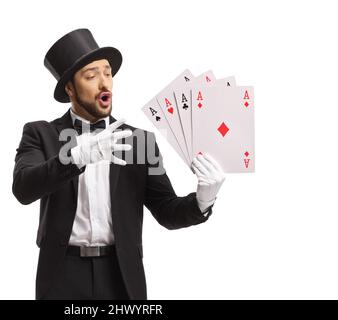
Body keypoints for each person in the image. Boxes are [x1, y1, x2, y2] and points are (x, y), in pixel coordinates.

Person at [12, 28, 225, 300]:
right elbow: (23, 188)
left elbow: (166, 211)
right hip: (61, 275)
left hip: (121, 275)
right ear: (70, 88)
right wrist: (75, 157)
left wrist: (202, 201)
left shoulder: (139, 141)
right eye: (91, 76)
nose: (104, 84)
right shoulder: (40, 133)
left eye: (108, 73)